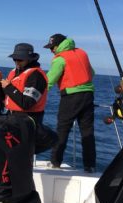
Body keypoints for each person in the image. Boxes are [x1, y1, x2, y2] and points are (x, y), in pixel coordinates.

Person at [43, 33, 96, 173]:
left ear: (58, 45)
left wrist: (38, 95)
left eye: (52, 47)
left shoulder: (60, 59)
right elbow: (92, 72)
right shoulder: (82, 53)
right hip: (89, 95)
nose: (51, 50)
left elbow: (49, 81)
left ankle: (55, 162)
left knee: (62, 130)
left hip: (71, 97)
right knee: (87, 131)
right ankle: (90, 166)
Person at [0, 43, 57, 154]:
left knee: (20, 152)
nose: (17, 62)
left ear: (29, 59)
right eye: (15, 59)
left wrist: (8, 87)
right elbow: (5, 95)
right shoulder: (14, 72)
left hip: (28, 120)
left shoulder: (36, 76)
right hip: (12, 118)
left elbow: (27, 103)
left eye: (20, 59)